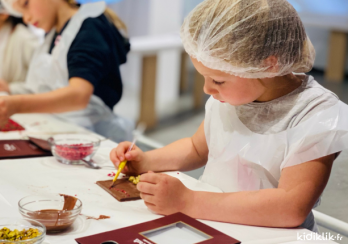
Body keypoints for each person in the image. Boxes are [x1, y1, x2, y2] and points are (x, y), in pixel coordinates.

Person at [110, 0, 348, 232]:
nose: (207, 89)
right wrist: (146, 161)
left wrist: (188, 201)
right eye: (204, 77)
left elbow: (291, 207)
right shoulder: (230, 97)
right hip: (213, 222)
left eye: (218, 80)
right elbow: (196, 148)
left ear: (268, 65)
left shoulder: (316, 114)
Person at [0, 0, 133, 142]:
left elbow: (78, 95)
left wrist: (17, 105)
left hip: (93, 139)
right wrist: (11, 90)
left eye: (25, 5)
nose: (26, 19)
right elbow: (50, 87)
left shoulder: (89, 28)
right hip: (63, 131)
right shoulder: (55, 33)